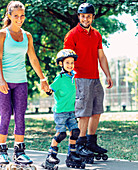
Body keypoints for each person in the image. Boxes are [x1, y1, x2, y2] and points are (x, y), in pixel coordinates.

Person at [0, 1, 49, 165]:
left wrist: (42, 78)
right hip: (3, 81)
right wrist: (1, 78)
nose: (19, 19)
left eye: (22, 15)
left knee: (20, 117)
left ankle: (19, 151)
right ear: (9, 15)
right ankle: (1, 150)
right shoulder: (2, 34)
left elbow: (33, 58)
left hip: (21, 82)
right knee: (5, 116)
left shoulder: (28, 36)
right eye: (16, 16)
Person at [63, 3, 113, 161]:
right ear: (79, 17)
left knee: (96, 110)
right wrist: (70, 79)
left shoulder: (97, 35)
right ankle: (80, 144)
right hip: (80, 78)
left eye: (89, 16)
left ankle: (91, 142)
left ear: (93, 17)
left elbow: (101, 56)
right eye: (83, 16)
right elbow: (66, 59)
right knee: (83, 113)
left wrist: (108, 75)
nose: (86, 19)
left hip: (95, 78)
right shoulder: (72, 35)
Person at [42, 49, 85, 169]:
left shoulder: (74, 76)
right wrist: (47, 89)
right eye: (67, 63)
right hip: (60, 112)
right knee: (61, 134)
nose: (70, 65)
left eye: (72, 63)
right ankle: (51, 154)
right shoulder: (59, 78)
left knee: (75, 132)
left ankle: (72, 154)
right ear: (61, 64)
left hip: (71, 111)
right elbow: (50, 90)